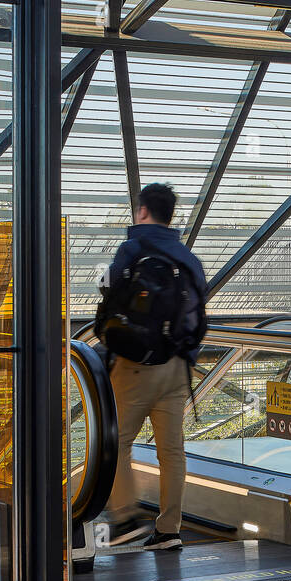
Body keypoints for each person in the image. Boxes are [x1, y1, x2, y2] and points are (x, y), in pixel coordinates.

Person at [95, 182, 207, 551]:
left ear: (143, 211)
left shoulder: (133, 248)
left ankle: (124, 519)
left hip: (134, 366)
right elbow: (196, 314)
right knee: (171, 451)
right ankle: (169, 530)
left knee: (117, 442)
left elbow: (110, 291)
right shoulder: (188, 258)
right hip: (176, 367)